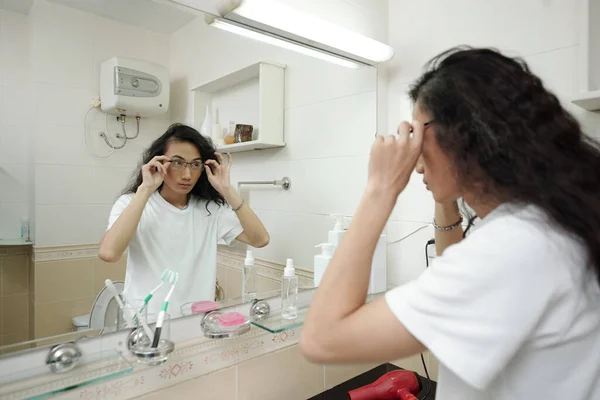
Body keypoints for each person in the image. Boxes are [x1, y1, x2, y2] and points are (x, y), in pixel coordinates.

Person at [301, 47, 600, 399]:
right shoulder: (547, 224)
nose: (414, 159)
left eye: (417, 135)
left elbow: (322, 339)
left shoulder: (513, 246)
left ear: (461, 135)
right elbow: (458, 269)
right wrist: (444, 196)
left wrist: (380, 189)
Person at [99, 123, 269, 316]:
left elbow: (260, 239)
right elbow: (109, 253)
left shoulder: (210, 210)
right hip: (145, 325)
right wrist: (145, 190)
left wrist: (227, 190)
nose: (187, 175)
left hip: (196, 322)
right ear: (159, 162)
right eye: (178, 163)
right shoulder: (131, 203)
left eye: (195, 165)